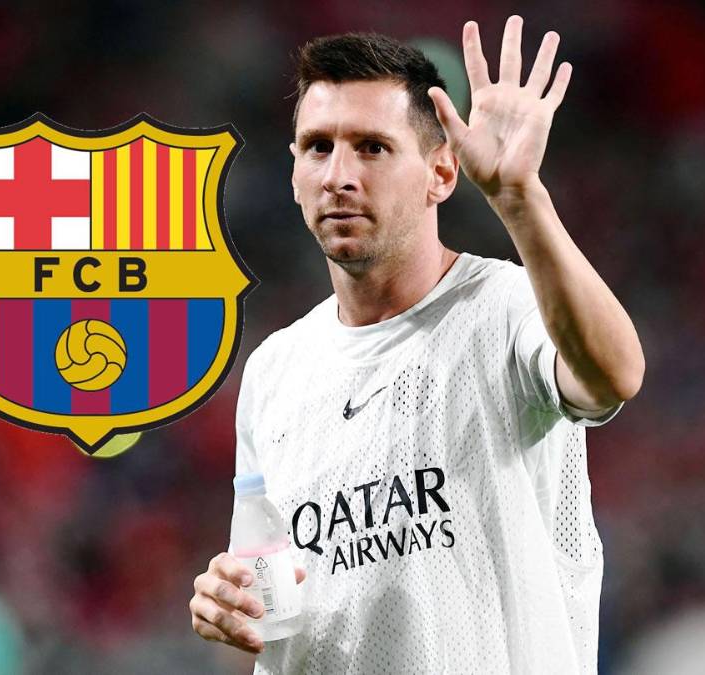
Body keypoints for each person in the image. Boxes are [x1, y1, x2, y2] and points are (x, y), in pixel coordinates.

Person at [190, 15, 644, 674]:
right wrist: (229, 611)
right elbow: (268, 609)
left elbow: (613, 375)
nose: (338, 175)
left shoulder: (505, 307)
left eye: (372, 147)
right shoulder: (273, 371)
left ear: (440, 172)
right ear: (293, 173)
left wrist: (520, 199)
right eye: (317, 147)